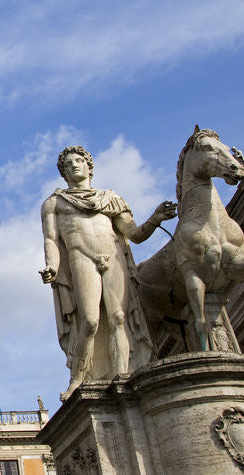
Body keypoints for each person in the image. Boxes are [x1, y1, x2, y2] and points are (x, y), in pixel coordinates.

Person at [40, 145, 175, 401]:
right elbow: (51, 239)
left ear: (89, 166)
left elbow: (134, 234)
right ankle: (77, 379)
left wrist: (155, 219)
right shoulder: (54, 203)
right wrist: (52, 266)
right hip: (81, 257)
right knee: (90, 320)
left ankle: (123, 376)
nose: (74, 166)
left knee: (119, 317)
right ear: (63, 172)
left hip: (113, 256)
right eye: (68, 164)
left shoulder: (110, 198)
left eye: (79, 161)